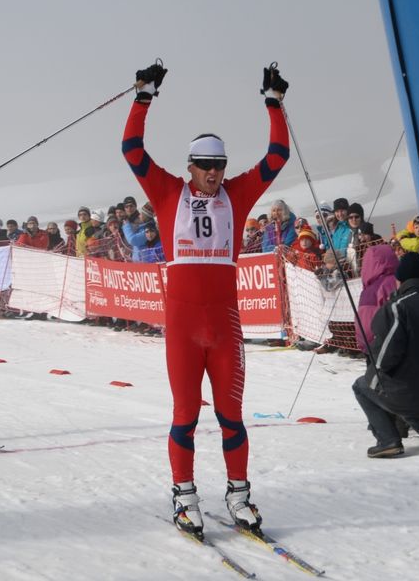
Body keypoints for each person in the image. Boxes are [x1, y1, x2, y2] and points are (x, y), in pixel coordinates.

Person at [122, 61, 289, 536]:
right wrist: (143, 96)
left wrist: (274, 103)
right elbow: (132, 149)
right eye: (205, 166)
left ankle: (239, 494)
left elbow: (277, 156)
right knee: (185, 415)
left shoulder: (237, 195)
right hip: (182, 325)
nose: (214, 174)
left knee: (232, 416)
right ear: (189, 166)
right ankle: (184, 496)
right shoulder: (166, 192)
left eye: (220, 166)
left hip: (224, 323)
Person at [352, 252, 419, 458]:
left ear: (401, 279)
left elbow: (385, 358)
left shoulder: (399, 308)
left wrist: (372, 379)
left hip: (415, 395)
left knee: (364, 386)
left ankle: (388, 440)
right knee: (398, 387)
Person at [354, 244, 398, 355]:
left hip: (380, 347)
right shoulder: (399, 280)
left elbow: (366, 327)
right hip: (400, 343)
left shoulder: (372, 289)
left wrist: (367, 347)